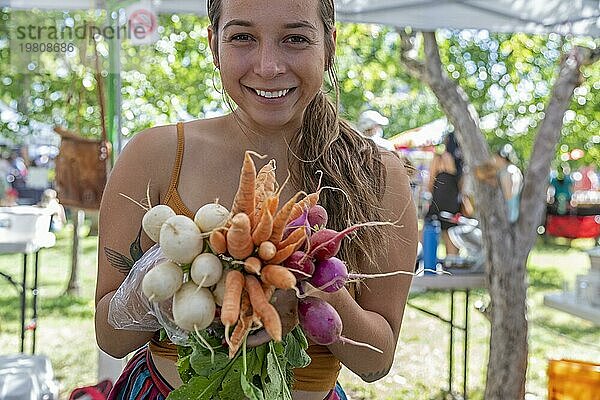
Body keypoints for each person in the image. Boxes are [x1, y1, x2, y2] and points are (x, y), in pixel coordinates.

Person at [95, 1, 418, 399]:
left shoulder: (377, 171)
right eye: (243, 37)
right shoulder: (155, 154)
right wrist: (165, 279)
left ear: (329, 45)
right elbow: (110, 339)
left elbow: (377, 361)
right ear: (214, 46)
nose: (268, 66)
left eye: (296, 38)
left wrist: (308, 282)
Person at [424, 131, 467, 256]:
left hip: (438, 201)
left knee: (430, 234)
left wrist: (427, 197)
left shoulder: (440, 158)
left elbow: (431, 180)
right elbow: (462, 187)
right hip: (454, 202)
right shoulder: (462, 162)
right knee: (451, 236)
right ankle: (452, 268)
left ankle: (428, 265)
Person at [494, 144, 523, 223]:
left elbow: (508, 194)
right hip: (516, 211)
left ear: (502, 158)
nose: (495, 160)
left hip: (507, 212)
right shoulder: (515, 170)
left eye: (496, 158)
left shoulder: (507, 172)